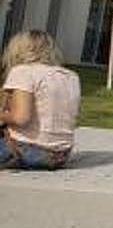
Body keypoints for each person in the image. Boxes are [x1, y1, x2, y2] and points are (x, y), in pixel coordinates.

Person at [1, 30, 81, 170]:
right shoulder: (71, 77)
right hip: (61, 155)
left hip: (27, 152)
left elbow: (21, 118)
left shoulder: (23, 72)